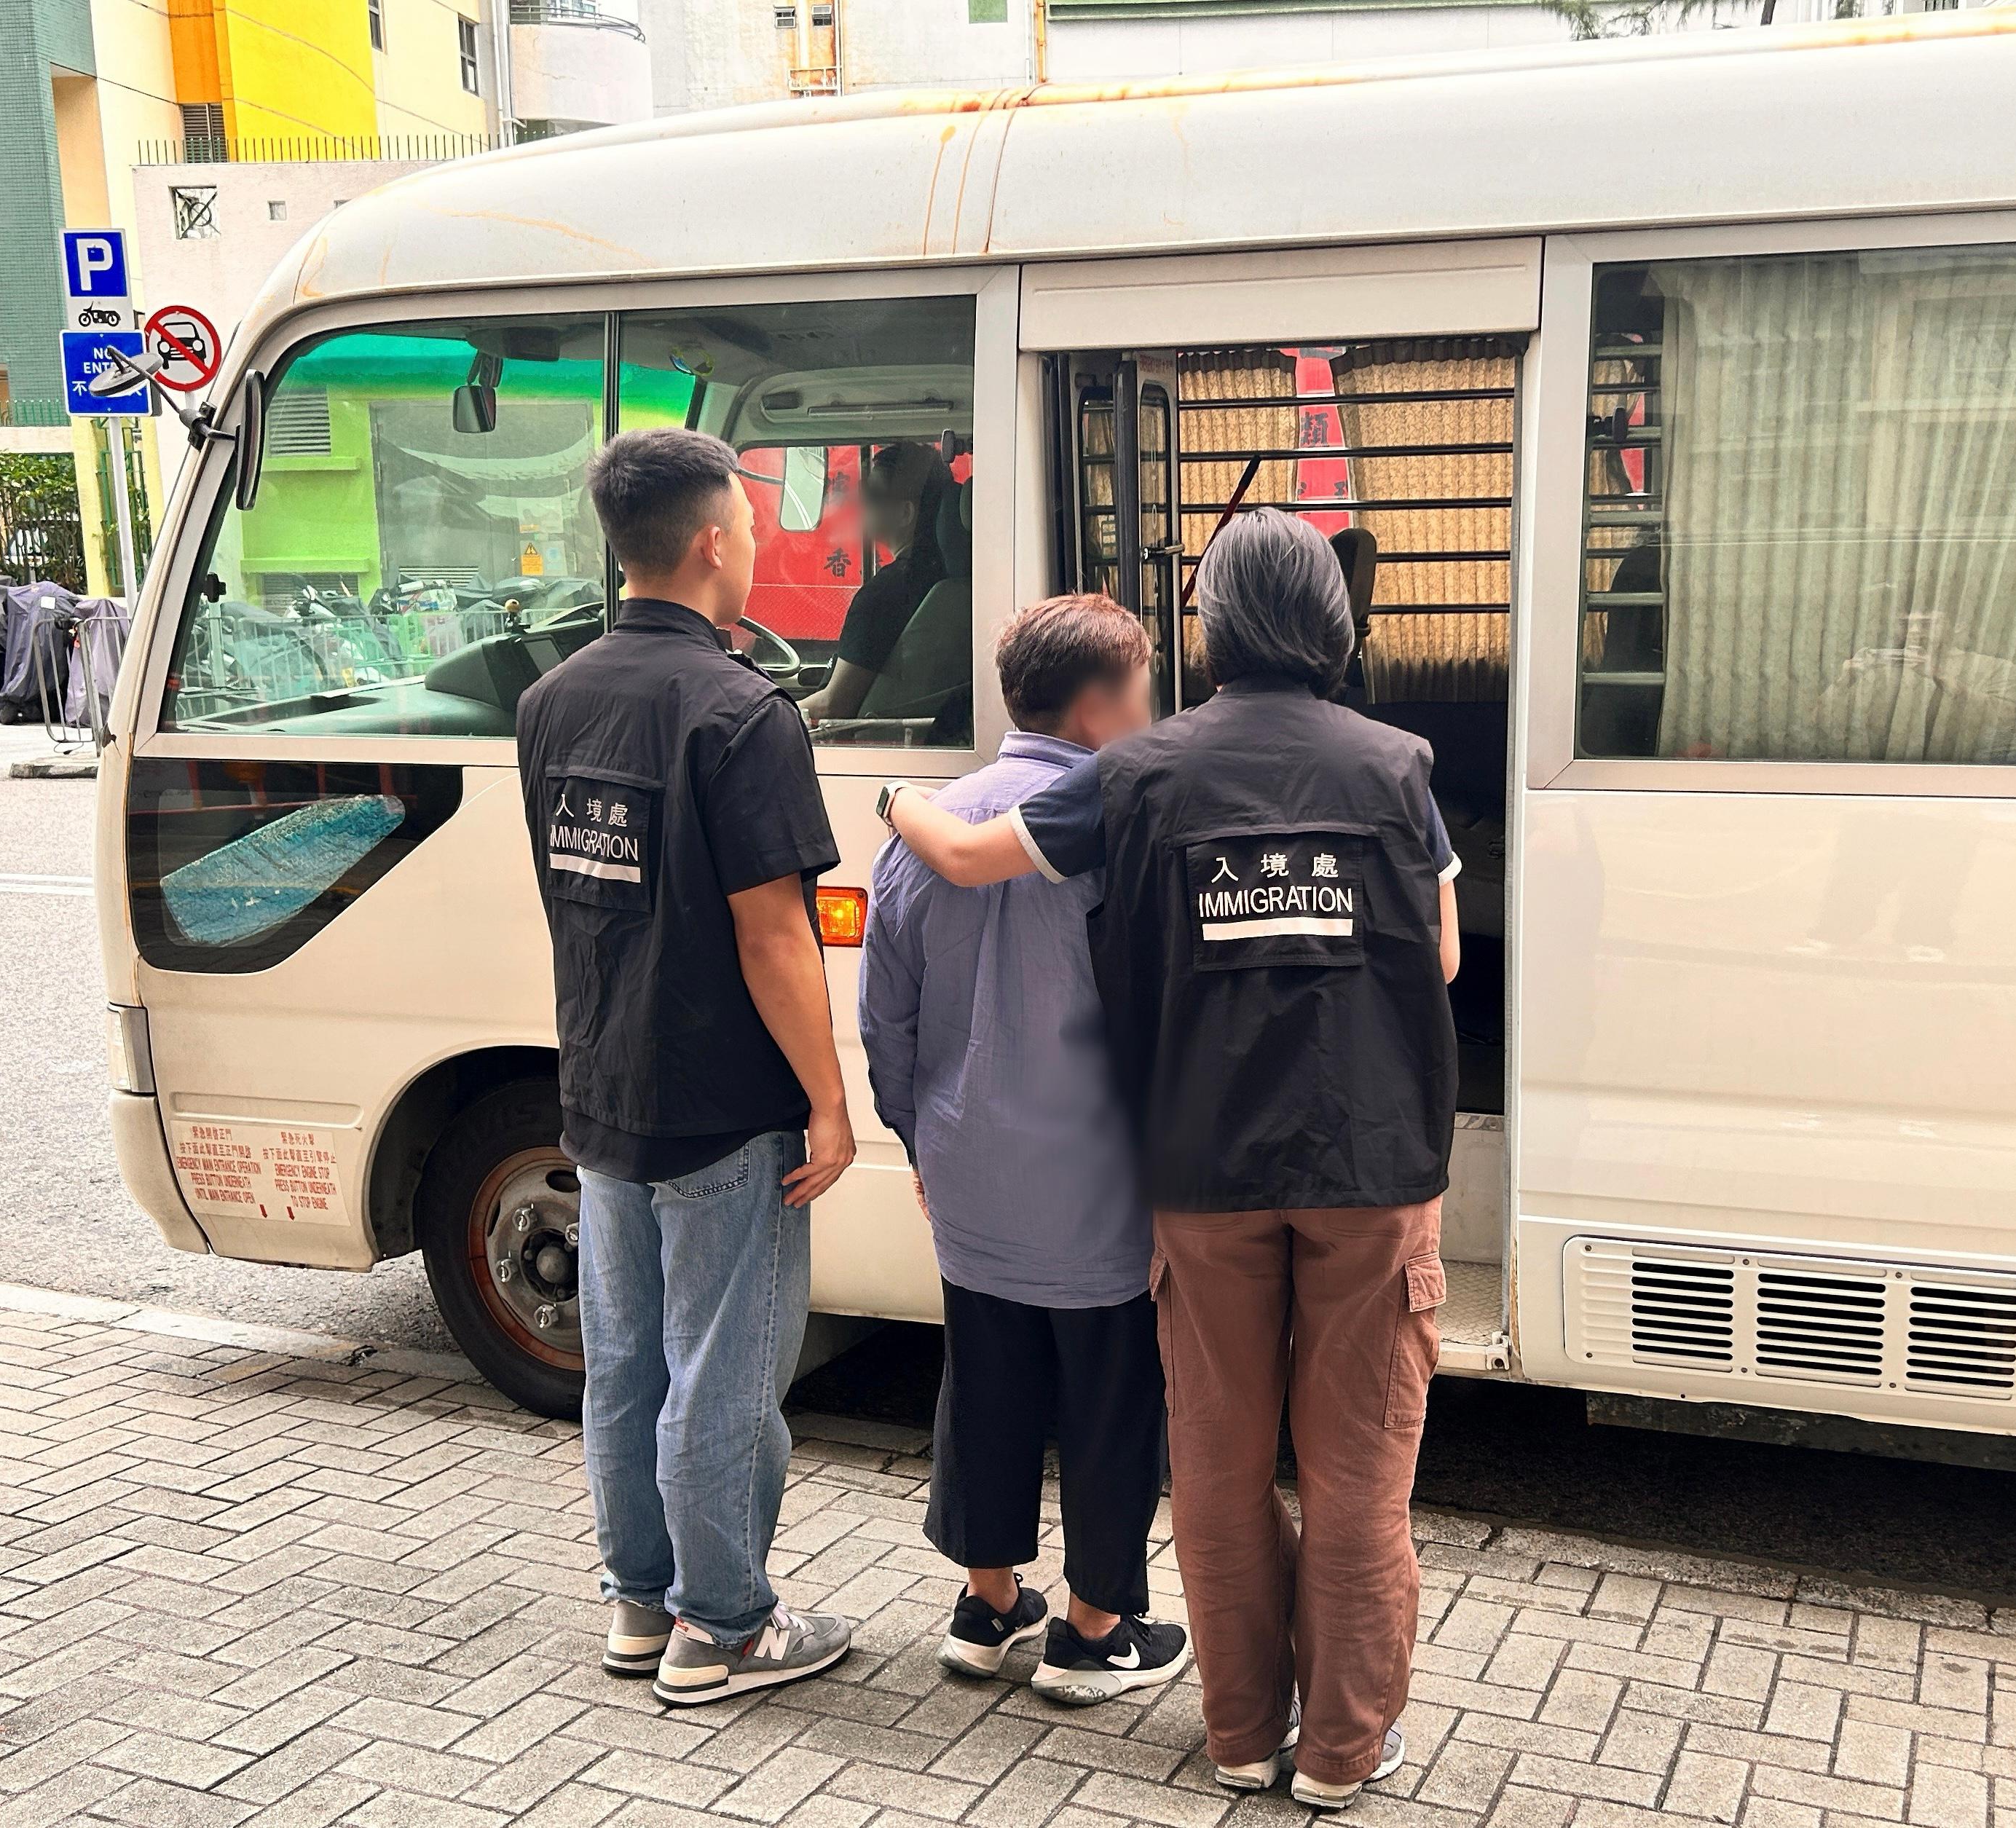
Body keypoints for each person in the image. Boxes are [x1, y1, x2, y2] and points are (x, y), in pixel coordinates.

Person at [876, 508, 1462, 1812]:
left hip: (1198, 1169)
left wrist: (894, 797)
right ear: (1332, 622)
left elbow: (972, 855)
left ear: (1204, 624)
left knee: (1216, 1460)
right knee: (1359, 1470)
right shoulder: (1396, 766)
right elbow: (1440, 958)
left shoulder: (1141, 775)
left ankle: (1242, 1736)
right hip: (1371, 1165)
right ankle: (1342, 1753)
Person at [516, 426, 857, 1707]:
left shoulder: (551, 701)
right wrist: (827, 1104)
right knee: (721, 1372)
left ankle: (638, 1606)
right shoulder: (739, 710)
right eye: (753, 525)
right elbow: (773, 935)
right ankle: (724, 1627)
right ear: (712, 540)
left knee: (628, 1360)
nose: (761, 542)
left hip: (604, 1085)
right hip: (724, 1104)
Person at [860, 593, 1193, 1705]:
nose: (1150, 713)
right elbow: (1161, 1013)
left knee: (987, 1376)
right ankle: (1094, 1628)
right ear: (1100, 708)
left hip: (967, 1165)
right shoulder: (1117, 827)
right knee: (1109, 1393)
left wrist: (920, 1134)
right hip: (1095, 1176)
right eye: (1143, 691)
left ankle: (989, 1601)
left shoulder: (931, 824)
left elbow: (884, 1018)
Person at [798, 441, 956, 724]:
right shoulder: (949, 581)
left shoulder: (885, 594)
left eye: (872, 493)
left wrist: (769, 716)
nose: (860, 502)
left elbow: (833, 707)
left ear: (904, 514)